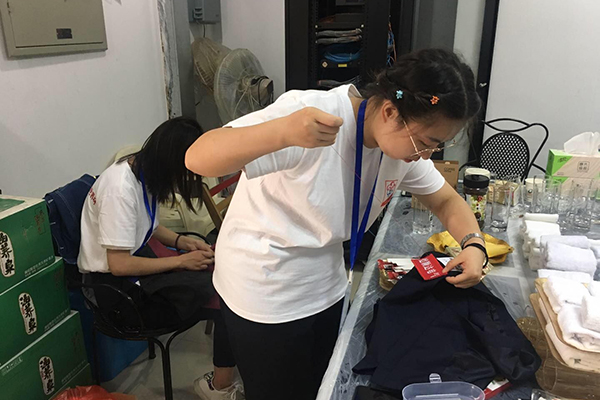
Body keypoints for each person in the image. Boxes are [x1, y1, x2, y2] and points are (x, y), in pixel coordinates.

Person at [185, 48, 485, 400]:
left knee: (322, 388)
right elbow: (197, 157)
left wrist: (474, 243)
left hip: (325, 281)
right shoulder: (312, 115)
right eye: (426, 143)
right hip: (264, 286)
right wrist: (282, 132)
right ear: (390, 112)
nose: (427, 155)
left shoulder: (402, 148)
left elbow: (446, 200)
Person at [77, 117, 244, 400]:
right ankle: (219, 387)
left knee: (217, 271)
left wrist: (182, 242)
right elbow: (119, 265)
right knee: (225, 296)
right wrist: (180, 261)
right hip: (116, 294)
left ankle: (224, 377)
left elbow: (148, 224)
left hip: (134, 266)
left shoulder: (142, 171)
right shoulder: (120, 189)